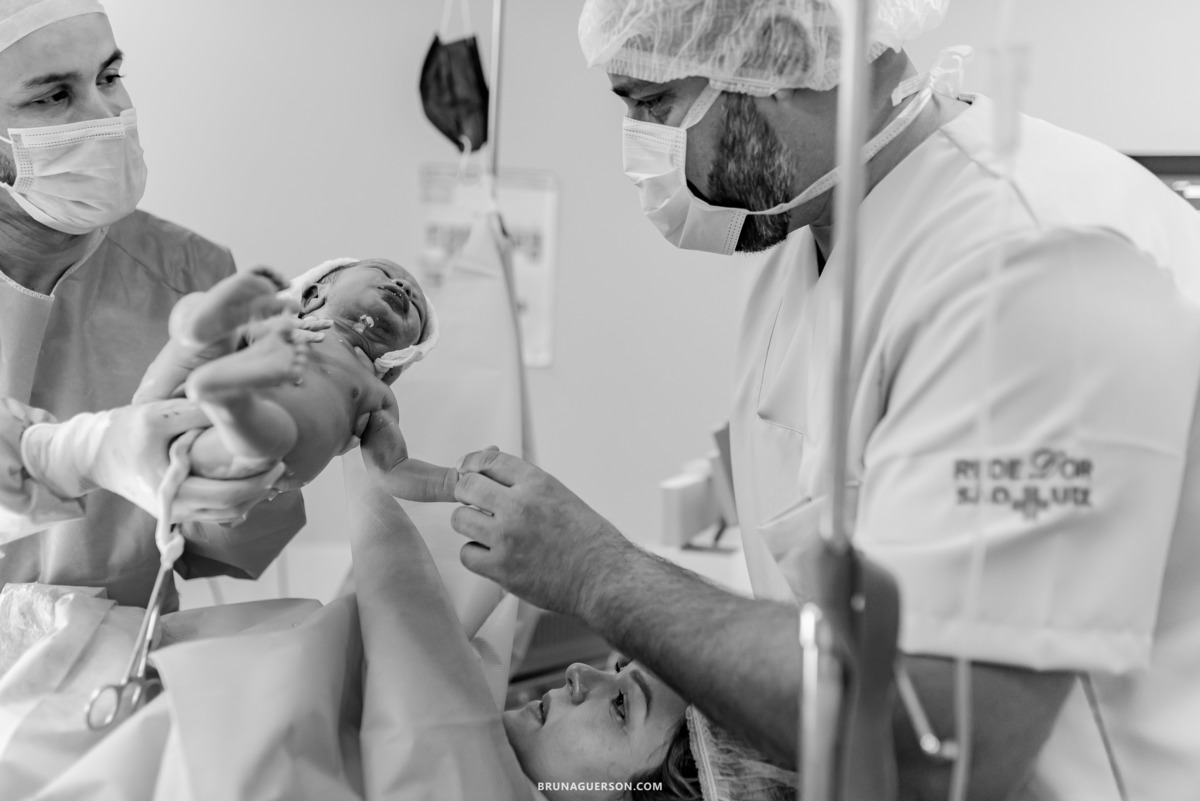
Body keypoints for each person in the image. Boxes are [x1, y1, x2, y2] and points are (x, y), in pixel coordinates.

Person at [412, 1, 1200, 799]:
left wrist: (597, 572)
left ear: (779, 53)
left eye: (654, 105)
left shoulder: (1027, 269)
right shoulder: (805, 258)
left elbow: (946, 736)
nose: (638, 154)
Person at [0, 0, 303, 610]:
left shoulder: (191, 278)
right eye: (52, 97)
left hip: (103, 687)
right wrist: (84, 453)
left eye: (109, 77)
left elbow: (236, 548)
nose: (109, 115)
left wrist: (234, 467)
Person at [132, 258, 458, 502]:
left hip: (251, 466)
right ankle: (205, 345)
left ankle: (221, 394)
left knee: (260, 440)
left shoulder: (377, 394)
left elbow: (393, 468)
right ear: (314, 294)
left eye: (415, 304)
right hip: (190, 415)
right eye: (385, 273)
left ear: (398, 359)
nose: (404, 287)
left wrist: (452, 484)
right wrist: (255, 329)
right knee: (202, 312)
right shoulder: (279, 328)